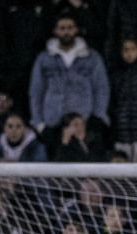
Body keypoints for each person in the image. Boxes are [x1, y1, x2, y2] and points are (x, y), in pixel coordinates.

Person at [29, 16, 110, 157]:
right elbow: (36, 91)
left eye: (70, 28)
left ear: (76, 30)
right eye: (62, 28)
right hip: (52, 122)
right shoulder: (44, 58)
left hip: (84, 121)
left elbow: (101, 88)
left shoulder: (92, 57)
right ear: (56, 31)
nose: (66, 32)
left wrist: (98, 116)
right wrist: (39, 122)